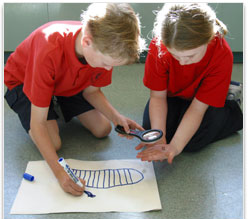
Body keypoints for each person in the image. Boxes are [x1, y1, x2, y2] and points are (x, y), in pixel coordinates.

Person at [4, 3, 146, 196]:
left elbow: (92, 92)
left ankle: (56, 101)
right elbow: (37, 125)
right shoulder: (49, 48)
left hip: (65, 81)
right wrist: (59, 173)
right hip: (24, 80)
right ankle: (51, 102)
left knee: (102, 129)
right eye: (105, 63)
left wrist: (116, 117)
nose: (106, 69)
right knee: (53, 143)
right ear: (86, 42)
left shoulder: (104, 48)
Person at [136, 3, 243, 164]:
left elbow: (198, 109)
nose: (183, 62)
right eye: (175, 55)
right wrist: (160, 137)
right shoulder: (159, 46)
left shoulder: (222, 54)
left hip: (202, 100)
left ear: (208, 40)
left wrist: (175, 148)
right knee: (152, 130)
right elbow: (157, 97)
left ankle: (230, 109)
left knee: (192, 143)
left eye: (191, 56)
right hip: (173, 94)